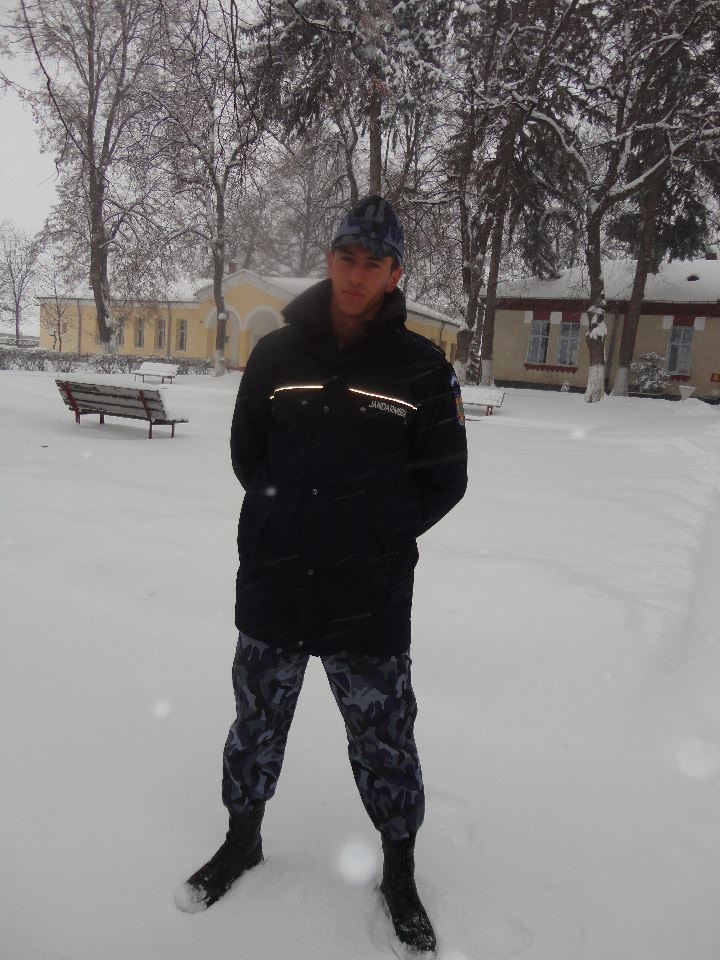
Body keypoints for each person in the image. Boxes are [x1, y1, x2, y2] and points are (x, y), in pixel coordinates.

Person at [176, 195, 468, 957]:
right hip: (274, 581)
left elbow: (445, 479)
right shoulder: (277, 354)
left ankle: (398, 873)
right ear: (330, 259)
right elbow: (248, 451)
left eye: (375, 263)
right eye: (347, 258)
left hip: (366, 595)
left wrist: (372, 537)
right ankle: (242, 840)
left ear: (396, 273)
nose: (357, 275)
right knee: (255, 725)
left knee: (385, 738)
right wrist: (285, 520)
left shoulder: (423, 368)